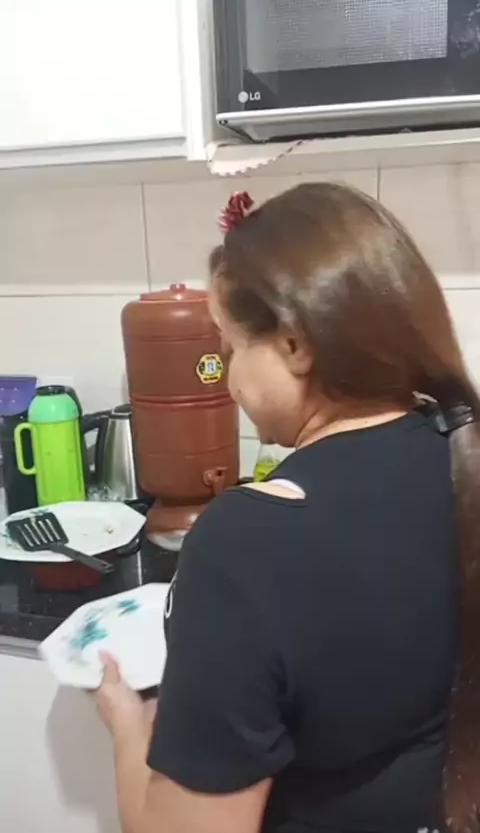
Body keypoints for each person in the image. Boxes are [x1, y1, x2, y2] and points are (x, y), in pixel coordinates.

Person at [96, 183, 480, 833]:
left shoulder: (248, 543)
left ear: (296, 345)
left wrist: (130, 728)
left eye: (231, 348)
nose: (229, 379)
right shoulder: (461, 454)